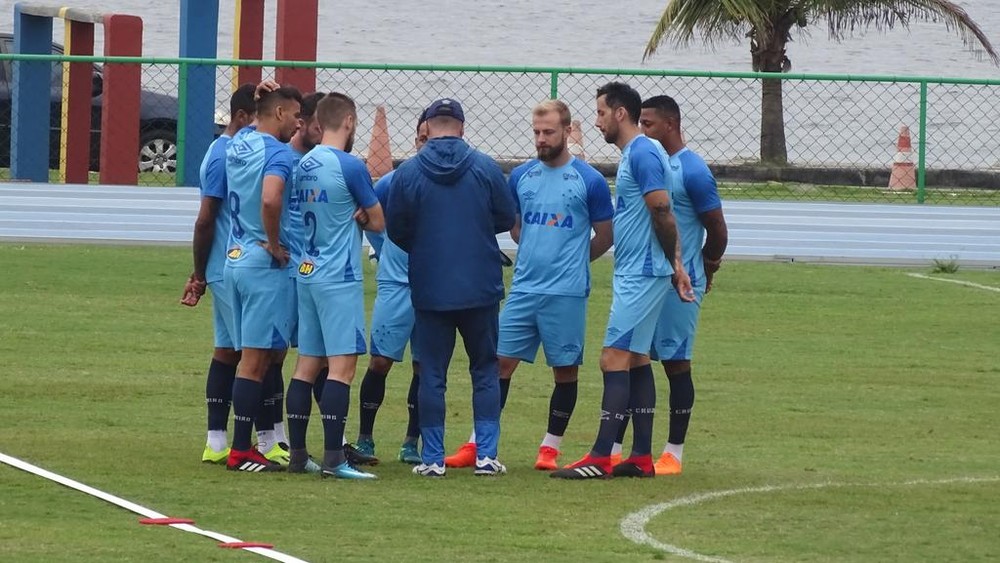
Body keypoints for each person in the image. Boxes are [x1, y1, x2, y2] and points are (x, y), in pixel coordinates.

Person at [443, 100, 614, 471]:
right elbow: (515, 224)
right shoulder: (521, 177)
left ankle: (550, 448)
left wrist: (572, 260)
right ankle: (478, 443)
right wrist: (538, 247)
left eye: (548, 132)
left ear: (567, 131)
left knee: (565, 369)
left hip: (566, 293)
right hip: (523, 290)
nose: (541, 139)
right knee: (498, 365)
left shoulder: (590, 181)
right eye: (536, 132)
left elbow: (605, 234)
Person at [551, 82, 693, 480]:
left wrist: (676, 264)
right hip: (641, 270)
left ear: (619, 113)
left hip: (643, 273)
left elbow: (662, 211)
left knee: (612, 358)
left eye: (599, 113)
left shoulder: (643, 152)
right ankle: (640, 457)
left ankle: (599, 457)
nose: (594, 123)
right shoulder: (638, 153)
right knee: (636, 358)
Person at [387, 98, 516, 477]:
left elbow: (397, 228)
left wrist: (427, 245)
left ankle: (432, 458)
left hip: (431, 285)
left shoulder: (408, 173)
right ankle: (486, 455)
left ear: (427, 128)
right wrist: (474, 233)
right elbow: (506, 216)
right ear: (461, 127)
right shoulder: (485, 167)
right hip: (480, 284)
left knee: (432, 373)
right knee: (485, 369)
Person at [282, 92, 385, 479]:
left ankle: (297, 455)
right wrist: (360, 215)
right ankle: (334, 459)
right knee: (342, 369)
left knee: (306, 364)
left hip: (306, 270)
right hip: (338, 275)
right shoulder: (350, 166)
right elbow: (378, 221)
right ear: (350, 122)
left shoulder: (302, 163)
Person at [638, 94, 728, 475]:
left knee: (676, 363)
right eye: (639, 123)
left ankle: (673, 451)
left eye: (649, 125)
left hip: (681, 284)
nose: (642, 131)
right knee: (632, 359)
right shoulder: (647, 163)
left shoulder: (692, 170)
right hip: (646, 279)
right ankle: (628, 447)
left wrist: (706, 263)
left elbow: (718, 229)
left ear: (670, 125)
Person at [222, 86, 302, 472]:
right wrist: (273, 243)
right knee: (254, 362)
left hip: (234, 257)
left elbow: (251, 124)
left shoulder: (240, 142)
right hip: (261, 263)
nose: (298, 124)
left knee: (258, 357)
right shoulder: (277, 153)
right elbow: (271, 199)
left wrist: (257, 103)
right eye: (296, 116)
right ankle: (240, 450)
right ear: (281, 112)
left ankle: (255, 441)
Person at [180, 83, 258, 465]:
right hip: (229, 265)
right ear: (242, 118)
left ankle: (215, 442)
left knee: (227, 351)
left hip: (224, 265)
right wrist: (198, 274)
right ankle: (265, 439)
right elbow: (206, 219)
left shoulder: (226, 150)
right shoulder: (224, 156)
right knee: (257, 353)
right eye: (257, 120)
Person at [354, 112, 431, 465]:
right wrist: (385, 252)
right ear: (416, 142)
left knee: (424, 367)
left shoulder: (449, 184)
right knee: (381, 361)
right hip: (396, 285)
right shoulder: (393, 181)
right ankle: (365, 437)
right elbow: (368, 216)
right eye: (421, 138)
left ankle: (411, 442)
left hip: (434, 287)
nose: (426, 144)